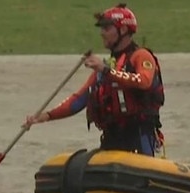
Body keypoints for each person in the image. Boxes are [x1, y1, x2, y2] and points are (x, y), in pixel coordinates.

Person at [24, 3, 165, 157]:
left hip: (138, 135)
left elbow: (143, 81)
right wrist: (46, 116)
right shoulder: (107, 66)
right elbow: (78, 101)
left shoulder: (141, 56)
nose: (102, 33)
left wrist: (105, 70)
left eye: (106, 29)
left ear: (123, 30)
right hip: (113, 137)